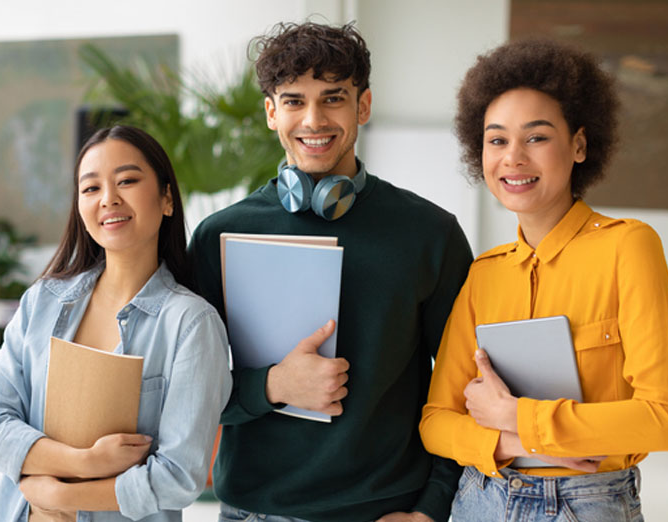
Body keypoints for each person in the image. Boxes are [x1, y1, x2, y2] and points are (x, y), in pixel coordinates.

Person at [188, 22, 473, 522]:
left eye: (333, 98)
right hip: (253, 511)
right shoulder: (219, 236)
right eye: (294, 101)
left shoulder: (431, 234)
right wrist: (273, 385)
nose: (314, 119)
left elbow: (465, 388)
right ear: (272, 112)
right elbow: (188, 393)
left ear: (363, 106)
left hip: (385, 511)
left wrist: (431, 508)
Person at [420, 38, 668, 521]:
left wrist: (518, 415)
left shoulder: (628, 247)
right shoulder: (484, 274)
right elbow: (435, 423)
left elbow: (666, 421)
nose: (513, 158)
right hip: (482, 497)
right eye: (497, 139)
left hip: (587, 503)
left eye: (537, 137)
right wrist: (512, 440)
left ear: (579, 145)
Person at [0, 125, 232, 522]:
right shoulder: (41, 302)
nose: (109, 199)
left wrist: (59, 494)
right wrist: (83, 463)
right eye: (91, 188)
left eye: (127, 180)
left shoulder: (191, 324)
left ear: (166, 199)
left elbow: (179, 477)